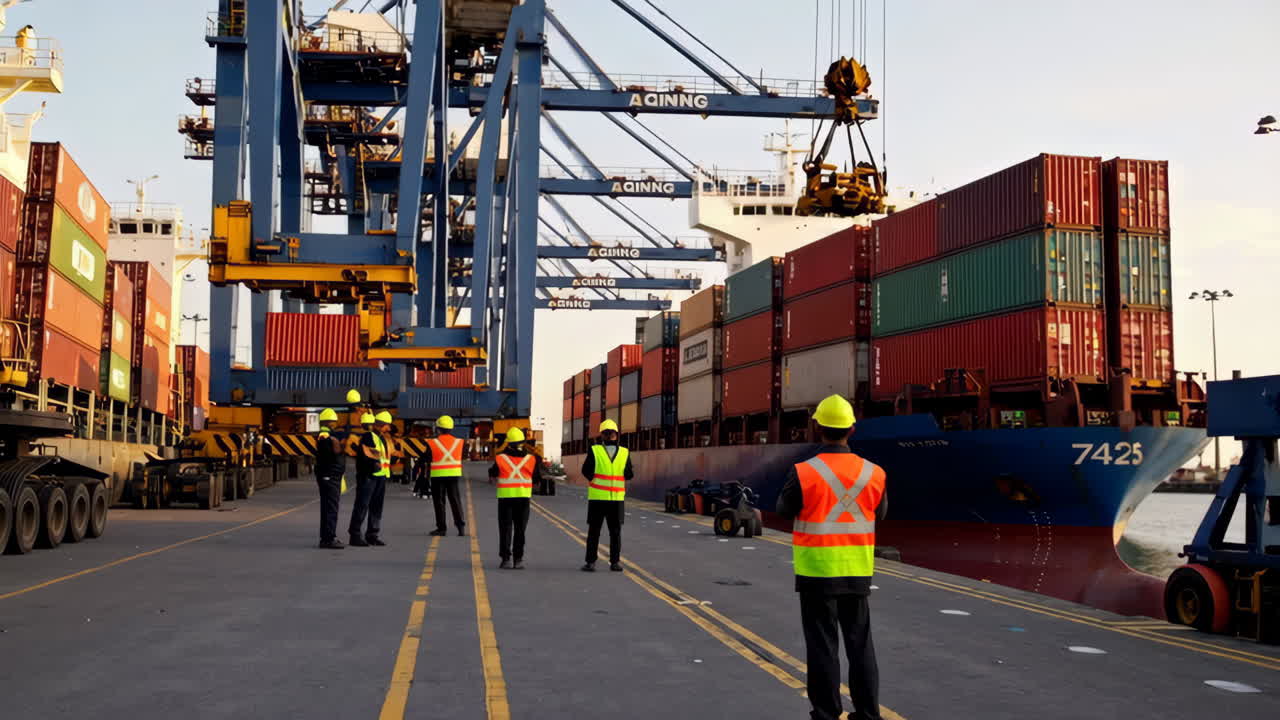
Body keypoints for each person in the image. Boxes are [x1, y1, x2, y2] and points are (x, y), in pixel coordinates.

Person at [775, 395, 887, 720]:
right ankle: (868, 714)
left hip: (817, 571)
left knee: (823, 645)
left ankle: (826, 714)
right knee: (860, 644)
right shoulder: (874, 472)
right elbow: (880, 513)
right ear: (852, 429)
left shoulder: (804, 472)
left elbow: (783, 510)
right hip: (857, 570)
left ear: (817, 428)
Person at [580, 419, 633, 572]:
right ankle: (615, 563)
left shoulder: (594, 450)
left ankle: (590, 563)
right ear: (616, 435)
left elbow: (586, 471)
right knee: (615, 532)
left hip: (597, 498)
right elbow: (629, 474)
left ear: (601, 435)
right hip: (616, 499)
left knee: (594, 532)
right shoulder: (624, 452)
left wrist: (594, 479)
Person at [488, 428, 541, 569]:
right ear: (523, 442)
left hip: (505, 498)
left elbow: (493, 473)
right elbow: (537, 479)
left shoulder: (500, 458)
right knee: (520, 530)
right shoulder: (531, 459)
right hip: (523, 498)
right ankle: (518, 559)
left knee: (505, 529)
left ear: (508, 443)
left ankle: (505, 559)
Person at [350, 411, 393, 547]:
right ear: (380, 425)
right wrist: (373, 467)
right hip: (369, 477)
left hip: (380, 477)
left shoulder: (381, 438)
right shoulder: (369, 437)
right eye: (387, 425)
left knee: (376, 507)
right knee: (362, 506)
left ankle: (372, 535)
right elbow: (367, 456)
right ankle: (355, 535)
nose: (389, 428)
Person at [427, 415, 467, 537]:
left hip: (437, 476)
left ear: (438, 429)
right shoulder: (459, 442)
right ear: (451, 428)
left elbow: (426, 458)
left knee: (439, 502)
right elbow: (464, 455)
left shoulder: (432, 442)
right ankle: (460, 527)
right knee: (455, 500)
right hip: (453, 475)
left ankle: (441, 528)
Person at [313, 408, 346, 549]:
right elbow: (329, 455)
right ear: (329, 422)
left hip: (329, 476)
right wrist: (338, 447)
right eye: (334, 422)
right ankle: (328, 539)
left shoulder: (326, 436)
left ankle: (327, 537)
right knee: (330, 508)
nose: (335, 424)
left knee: (329, 507)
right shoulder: (325, 436)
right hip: (329, 476)